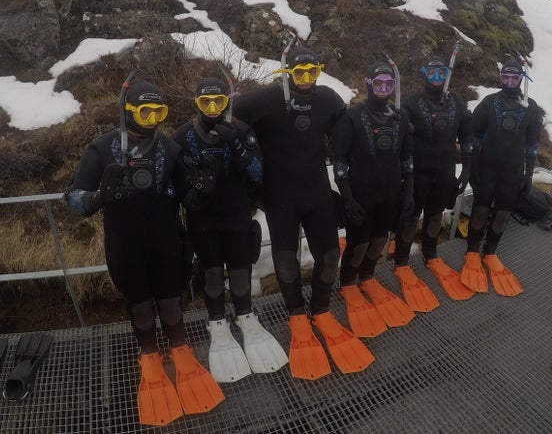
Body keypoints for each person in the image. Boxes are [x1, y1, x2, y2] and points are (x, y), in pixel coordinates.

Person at [64, 78, 223, 426]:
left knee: (170, 298)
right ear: (128, 110)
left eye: (158, 111)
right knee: (138, 303)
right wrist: (98, 198)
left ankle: (180, 349)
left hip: (167, 239)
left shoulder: (169, 148)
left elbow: (189, 198)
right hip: (124, 242)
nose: (151, 118)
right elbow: (74, 199)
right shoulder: (101, 149)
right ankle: (149, 355)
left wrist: (203, 188)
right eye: (144, 110)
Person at [234, 45, 373, 379]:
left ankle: (321, 310)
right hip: (279, 195)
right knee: (285, 258)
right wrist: (248, 151)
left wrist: (350, 172)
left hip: (317, 192)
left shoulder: (327, 99)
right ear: (287, 73)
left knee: (328, 256)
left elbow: (344, 131)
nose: (306, 79)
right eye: (299, 73)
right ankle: (296, 313)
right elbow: (227, 116)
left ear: (318, 71)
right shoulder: (266, 98)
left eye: (312, 72)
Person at [173, 76, 287, 383]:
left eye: (218, 102)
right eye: (205, 103)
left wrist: (237, 143)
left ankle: (245, 314)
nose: (212, 109)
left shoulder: (242, 130)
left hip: (236, 213)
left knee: (240, 270)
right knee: (211, 272)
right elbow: (175, 184)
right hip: (203, 218)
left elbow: (257, 173)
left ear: (228, 101)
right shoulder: (184, 135)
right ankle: (216, 321)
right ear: (196, 103)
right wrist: (195, 190)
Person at [334, 60, 422, 330]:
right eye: (378, 83)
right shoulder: (351, 117)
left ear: (394, 86)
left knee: (380, 240)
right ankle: (348, 283)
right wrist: (347, 197)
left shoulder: (400, 117)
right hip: (361, 194)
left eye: (389, 84)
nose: (384, 88)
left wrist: (408, 192)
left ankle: (368, 277)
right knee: (358, 244)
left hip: (390, 192)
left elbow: (407, 157)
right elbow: (339, 163)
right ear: (368, 84)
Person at [397, 54, 475, 301]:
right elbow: (400, 143)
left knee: (435, 214)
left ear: (447, 74)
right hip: (416, 173)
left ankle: (430, 254)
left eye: (441, 73)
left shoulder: (456, 103)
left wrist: (466, 171)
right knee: (411, 216)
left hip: (445, 171)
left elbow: (467, 138)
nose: (437, 78)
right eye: (432, 73)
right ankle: (401, 261)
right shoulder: (410, 103)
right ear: (423, 74)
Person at [462, 59, 542, 296]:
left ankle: (490, 252)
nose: (509, 82)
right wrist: (472, 169)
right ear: (500, 78)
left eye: (514, 78)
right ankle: (472, 251)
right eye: (505, 77)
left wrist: (528, 175)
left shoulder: (531, 107)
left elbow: (532, 145)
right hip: (486, 169)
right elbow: (474, 137)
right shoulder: (489, 102)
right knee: (480, 210)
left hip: (513, 172)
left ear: (521, 79)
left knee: (503, 214)